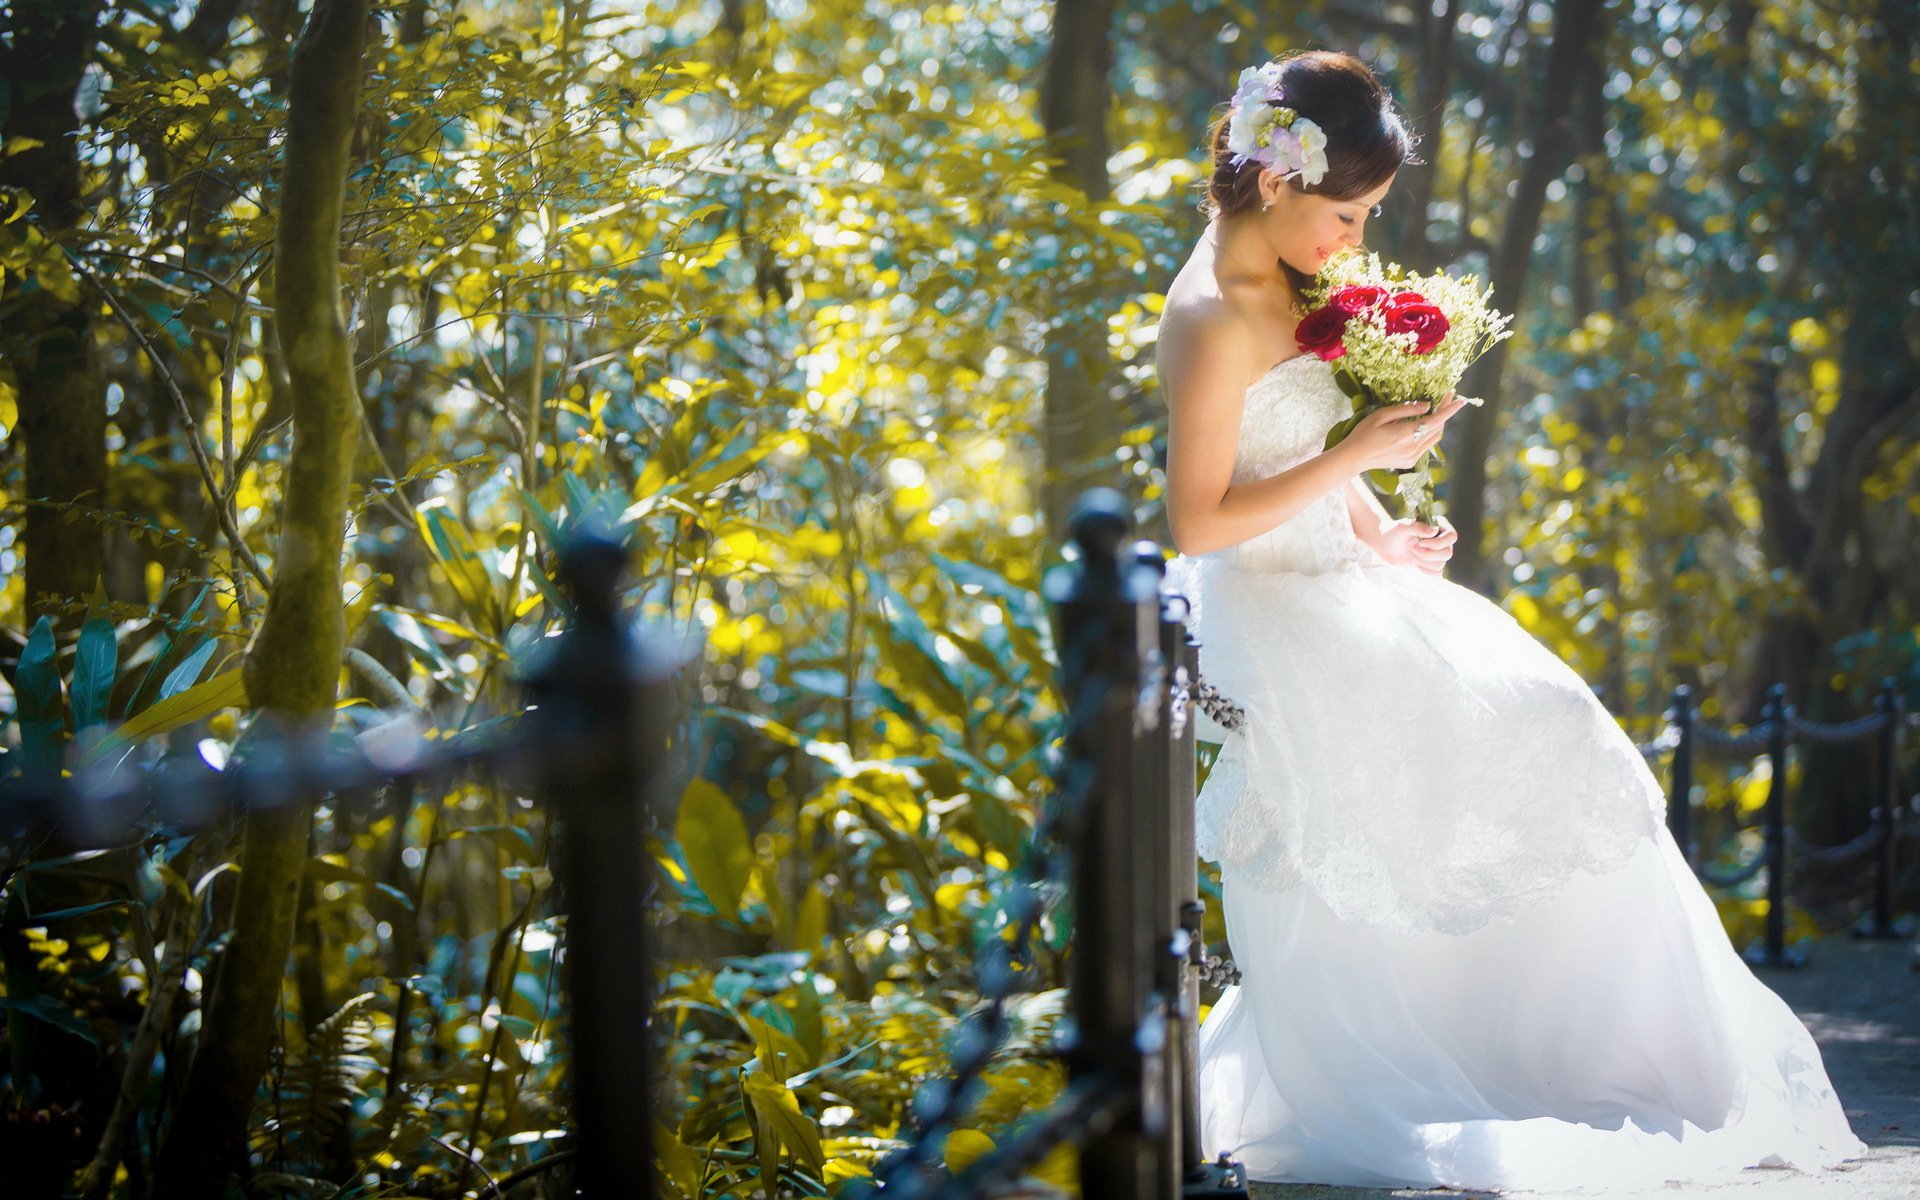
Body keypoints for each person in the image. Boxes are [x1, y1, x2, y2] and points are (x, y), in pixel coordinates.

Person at [1158, 49, 1870, 1191]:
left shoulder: (1301, 282)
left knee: (1546, 714)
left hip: (1340, 576)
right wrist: (1354, 455)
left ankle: (1599, 1061)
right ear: (1280, 183)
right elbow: (1197, 519)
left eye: (1368, 214)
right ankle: (1390, 1066)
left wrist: (1376, 518)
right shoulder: (1206, 313)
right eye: (1349, 211)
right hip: (1272, 605)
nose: (1356, 235)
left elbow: (1294, 445)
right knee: (1409, 786)